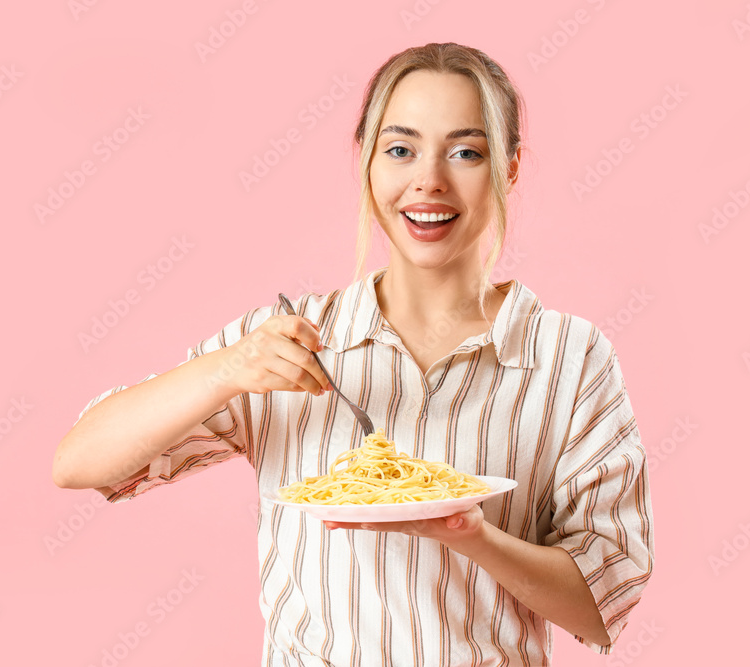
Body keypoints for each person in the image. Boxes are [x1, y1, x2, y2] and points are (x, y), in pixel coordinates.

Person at [53, 42, 654, 666]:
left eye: (466, 153)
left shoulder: (569, 356)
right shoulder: (286, 340)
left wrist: (473, 536)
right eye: (400, 150)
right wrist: (226, 369)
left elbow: (603, 602)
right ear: (367, 162)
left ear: (509, 169)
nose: (429, 180)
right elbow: (81, 462)